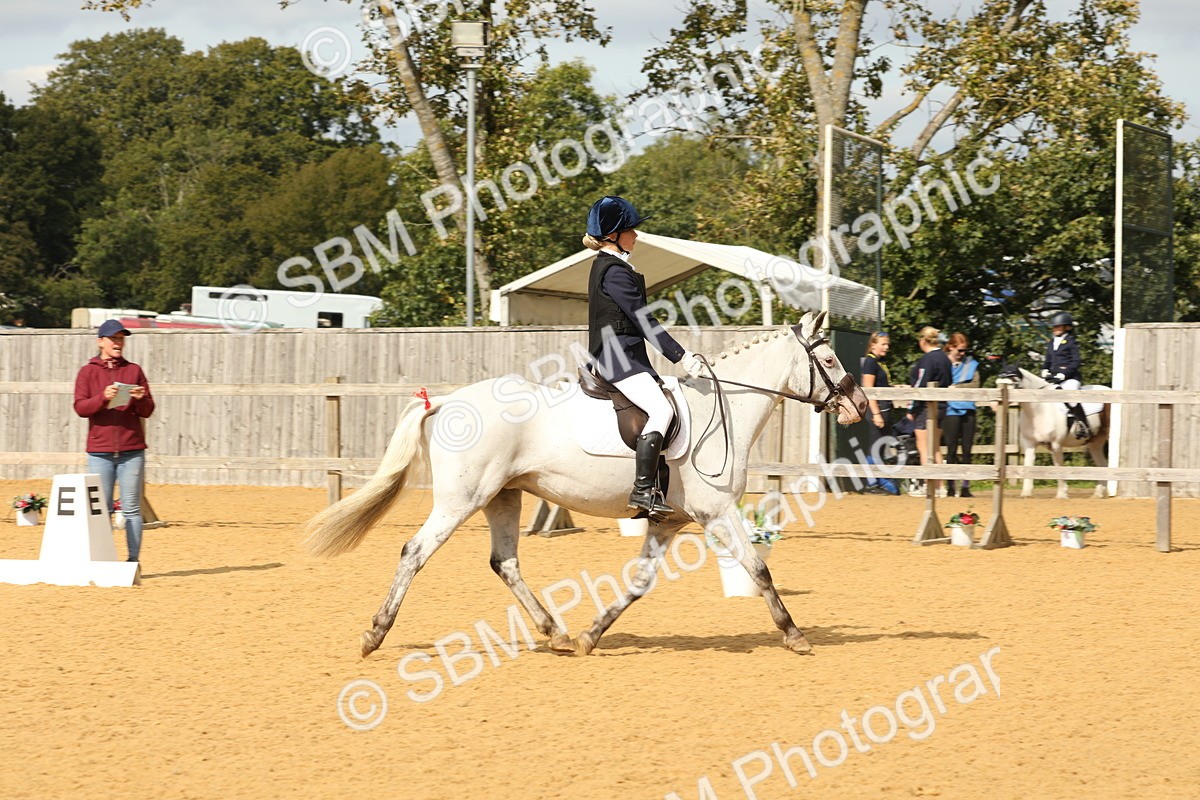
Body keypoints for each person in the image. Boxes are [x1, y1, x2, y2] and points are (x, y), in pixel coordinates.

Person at [584, 196, 705, 518]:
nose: (636, 236)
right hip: (618, 358)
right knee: (662, 410)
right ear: (614, 235)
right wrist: (681, 357)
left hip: (624, 356)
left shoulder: (610, 267)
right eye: (631, 230)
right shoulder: (614, 271)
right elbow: (643, 320)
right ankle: (641, 490)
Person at [73, 319, 155, 562]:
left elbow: (148, 410)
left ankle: (133, 562)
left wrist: (140, 398)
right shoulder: (87, 372)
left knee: (131, 509)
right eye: (114, 338)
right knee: (102, 511)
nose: (118, 343)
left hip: (132, 450)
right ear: (101, 342)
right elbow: (80, 408)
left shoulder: (134, 370)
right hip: (100, 452)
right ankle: (105, 561)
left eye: (121, 339)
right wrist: (102, 398)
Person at [906, 326, 953, 496]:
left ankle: (929, 485)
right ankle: (941, 487)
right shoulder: (945, 359)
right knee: (935, 447)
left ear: (923, 341)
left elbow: (921, 383)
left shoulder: (928, 359)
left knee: (924, 446)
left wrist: (912, 407)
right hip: (942, 406)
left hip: (927, 407)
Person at [859, 331, 898, 495]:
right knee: (874, 447)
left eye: (887, 344)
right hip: (877, 409)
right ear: (873, 345)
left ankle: (878, 481)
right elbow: (868, 390)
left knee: (880, 447)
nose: (886, 347)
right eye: (883, 344)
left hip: (884, 408)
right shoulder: (870, 362)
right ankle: (871, 483)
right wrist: (876, 413)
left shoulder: (879, 362)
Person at [942, 333, 980, 498]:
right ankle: (951, 487)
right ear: (951, 347)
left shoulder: (971, 364)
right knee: (951, 451)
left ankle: (965, 486)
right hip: (950, 410)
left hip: (968, 409)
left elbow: (976, 384)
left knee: (967, 451)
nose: (963, 353)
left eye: (964, 350)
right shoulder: (943, 362)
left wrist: (956, 387)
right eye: (960, 350)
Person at [1042, 311, 1089, 439]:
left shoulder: (1071, 342)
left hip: (1070, 378)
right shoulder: (1051, 343)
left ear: (1066, 327)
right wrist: (1044, 370)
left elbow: (1076, 361)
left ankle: (1083, 425)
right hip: (1054, 378)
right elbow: (1047, 361)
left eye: (1058, 326)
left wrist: (1064, 374)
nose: (1054, 329)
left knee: (1071, 398)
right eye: (1054, 327)